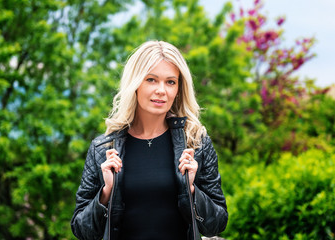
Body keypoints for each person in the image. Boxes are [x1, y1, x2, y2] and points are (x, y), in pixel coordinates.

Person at [71, 40, 228, 240]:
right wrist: (106, 191)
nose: (161, 90)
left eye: (170, 82)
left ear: (179, 89)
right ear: (135, 84)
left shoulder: (196, 143)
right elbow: (81, 230)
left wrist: (191, 190)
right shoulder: (103, 149)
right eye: (151, 79)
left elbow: (217, 224)